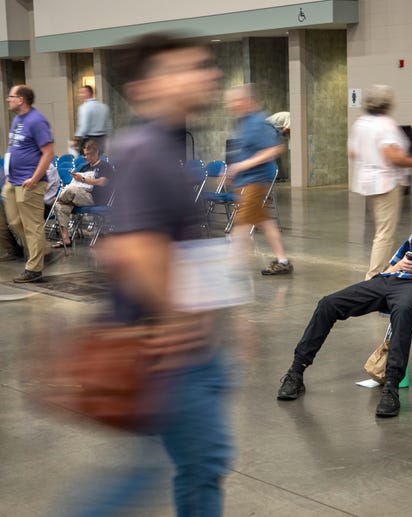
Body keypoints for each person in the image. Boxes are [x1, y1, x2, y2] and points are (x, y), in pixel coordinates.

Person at [68, 33, 234, 515]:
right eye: (188, 66)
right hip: (170, 352)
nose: (207, 74)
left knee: (188, 466)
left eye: (204, 65)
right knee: (196, 465)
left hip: (183, 346)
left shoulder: (166, 147)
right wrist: (180, 319)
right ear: (146, 88)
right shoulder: (146, 151)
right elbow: (130, 250)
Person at [277, 201, 412, 417]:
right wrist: (401, 266)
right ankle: (296, 371)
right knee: (328, 304)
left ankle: (391, 388)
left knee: (403, 312)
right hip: (389, 281)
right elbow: (388, 271)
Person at [349, 85, 412, 280]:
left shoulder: (361, 123)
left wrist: (370, 156)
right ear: (388, 104)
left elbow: (352, 152)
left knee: (380, 229)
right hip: (385, 183)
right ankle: (374, 277)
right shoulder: (385, 124)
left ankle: (382, 269)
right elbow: (393, 156)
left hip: (367, 183)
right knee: (385, 232)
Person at [224, 84, 293, 275]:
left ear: (245, 100)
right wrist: (232, 169)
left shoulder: (258, 122)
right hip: (244, 180)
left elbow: (274, 149)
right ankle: (283, 260)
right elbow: (245, 150)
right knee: (265, 221)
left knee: (241, 224)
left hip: (255, 181)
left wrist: (241, 166)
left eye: (233, 101)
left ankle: (232, 268)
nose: (229, 105)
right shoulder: (243, 122)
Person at [2, 84, 55, 283]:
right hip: (13, 181)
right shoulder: (17, 120)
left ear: (21, 99)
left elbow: (48, 152)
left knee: (32, 225)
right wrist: (9, 173)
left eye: (11, 96)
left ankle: (34, 268)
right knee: (15, 221)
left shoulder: (36, 121)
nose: (8, 99)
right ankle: (43, 249)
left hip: (29, 183)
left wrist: (34, 178)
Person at [51, 139, 113, 248]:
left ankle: (56, 198)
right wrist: (76, 179)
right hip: (79, 195)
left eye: (88, 154)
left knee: (69, 191)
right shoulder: (85, 167)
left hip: (95, 198)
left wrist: (83, 179)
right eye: (85, 155)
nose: (86, 157)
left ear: (96, 152)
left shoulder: (104, 166)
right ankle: (66, 239)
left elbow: (103, 182)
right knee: (60, 205)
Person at [73, 85, 112, 155]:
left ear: (89, 93)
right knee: (100, 161)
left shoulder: (84, 107)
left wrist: (76, 140)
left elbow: (84, 127)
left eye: (82, 93)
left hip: (89, 141)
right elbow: (108, 125)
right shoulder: (104, 107)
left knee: (85, 163)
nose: (80, 95)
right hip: (102, 140)